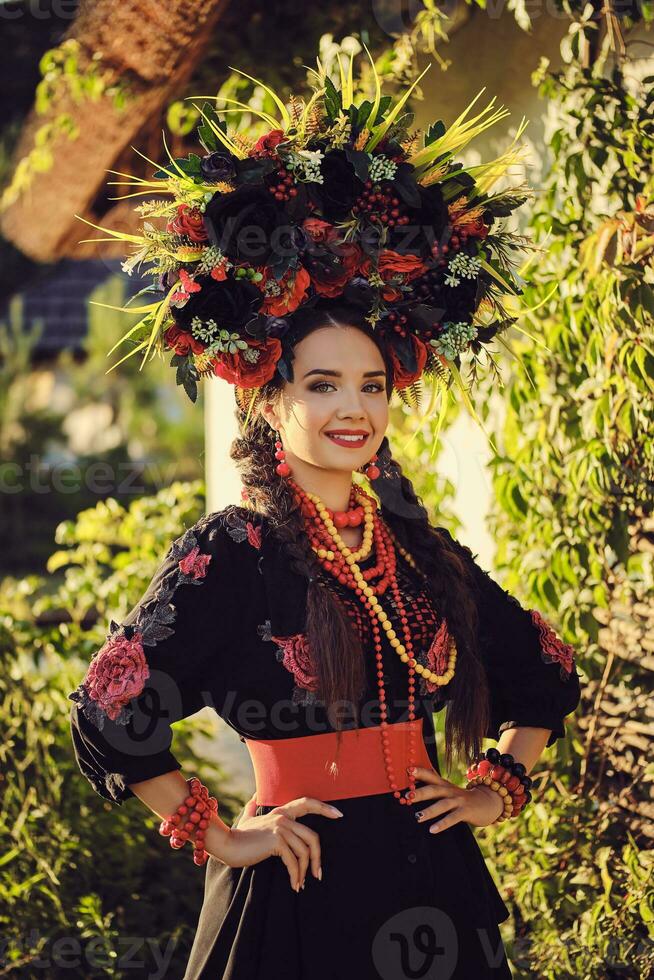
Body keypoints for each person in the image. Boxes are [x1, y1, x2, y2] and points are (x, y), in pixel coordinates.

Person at [69, 300, 582, 979]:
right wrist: (221, 836)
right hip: (302, 883)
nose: (355, 408)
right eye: (323, 385)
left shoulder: (420, 553)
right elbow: (109, 704)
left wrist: (494, 790)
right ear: (271, 403)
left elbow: (544, 667)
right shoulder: (236, 552)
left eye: (372, 386)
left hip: (435, 883)